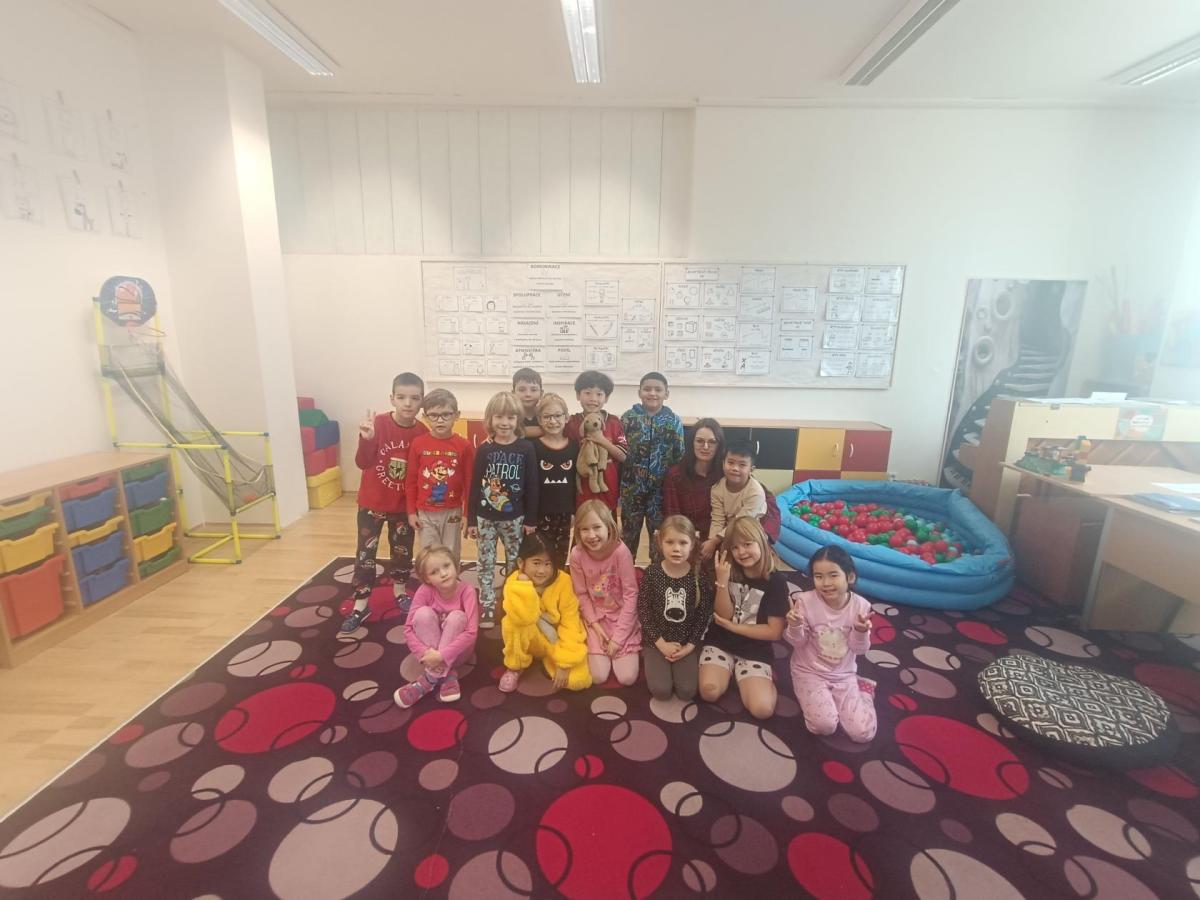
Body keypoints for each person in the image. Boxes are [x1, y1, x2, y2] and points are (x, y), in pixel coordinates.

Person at [344, 372, 426, 633]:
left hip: (403, 507)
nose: (407, 403)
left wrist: (416, 507)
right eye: (401, 397)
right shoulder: (377, 423)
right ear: (392, 398)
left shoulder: (422, 431)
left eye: (414, 398)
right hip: (372, 504)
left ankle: (400, 592)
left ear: (422, 401)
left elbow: (420, 473)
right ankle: (360, 604)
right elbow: (362, 462)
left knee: (402, 552)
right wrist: (367, 439)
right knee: (365, 554)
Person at [698, 516, 789, 719]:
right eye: (735, 547)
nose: (741, 552)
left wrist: (732, 627)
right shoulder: (728, 570)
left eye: (747, 544)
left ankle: (758, 681)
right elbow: (723, 615)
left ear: (761, 541)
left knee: (762, 710)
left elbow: (774, 632)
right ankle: (730, 672)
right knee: (709, 692)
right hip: (721, 642)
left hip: (754, 649)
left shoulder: (776, 582)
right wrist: (722, 582)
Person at [786, 545, 876, 743]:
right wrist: (795, 625)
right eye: (818, 576)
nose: (826, 583)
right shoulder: (805, 601)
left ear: (850, 577)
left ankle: (864, 691)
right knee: (824, 726)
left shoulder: (861, 606)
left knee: (863, 733)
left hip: (844, 674)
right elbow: (797, 643)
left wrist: (860, 631)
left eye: (833, 575)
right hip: (808, 671)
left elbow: (859, 650)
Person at [499, 532, 591, 693]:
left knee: (578, 681)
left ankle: (551, 658)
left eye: (548, 564)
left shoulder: (563, 581)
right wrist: (524, 587)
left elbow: (571, 622)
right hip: (528, 637)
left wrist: (565, 662)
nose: (542, 570)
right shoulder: (514, 582)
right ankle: (515, 666)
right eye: (536, 563)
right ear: (521, 563)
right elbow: (522, 618)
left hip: (554, 641)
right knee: (511, 623)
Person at [638, 515, 714, 701]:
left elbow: (703, 614)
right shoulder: (652, 574)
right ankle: (649, 656)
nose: (676, 548)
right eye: (670, 542)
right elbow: (644, 610)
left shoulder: (699, 577)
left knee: (687, 691)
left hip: (685, 642)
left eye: (683, 542)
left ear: (692, 544)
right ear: (660, 543)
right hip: (656, 642)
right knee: (661, 691)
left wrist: (690, 646)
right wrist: (661, 644)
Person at [393, 546, 480, 708]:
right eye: (434, 572)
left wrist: (441, 656)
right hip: (430, 656)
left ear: (455, 565)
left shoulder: (467, 591)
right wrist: (425, 653)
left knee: (457, 616)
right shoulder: (425, 591)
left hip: (459, 654)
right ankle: (447, 675)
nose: (443, 573)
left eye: (446, 566)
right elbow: (408, 629)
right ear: (427, 579)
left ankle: (429, 679)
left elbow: (472, 632)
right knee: (422, 614)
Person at [570, 500, 641, 686]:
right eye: (584, 529)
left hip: (622, 616)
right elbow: (581, 594)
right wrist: (596, 627)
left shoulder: (621, 552)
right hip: (596, 618)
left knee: (627, 678)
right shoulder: (576, 554)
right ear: (577, 531)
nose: (591, 535)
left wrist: (618, 639)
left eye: (596, 527)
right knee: (598, 677)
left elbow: (631, 595)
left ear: (609, 527)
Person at [620, 372, 685, 559]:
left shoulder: (673, 421)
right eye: (647, 389)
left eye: (658, 389)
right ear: (639, 392)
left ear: (666, 393)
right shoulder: (628, 418)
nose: (652, 393)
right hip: (632, 488)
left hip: (660, 491)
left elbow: (679, 455)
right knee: (628, 534)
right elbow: (619, 451)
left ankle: (657, 573)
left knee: (659, 536)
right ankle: (625, 571)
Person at [405, 389, 473, 562]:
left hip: (453, 511)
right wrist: (411, 512)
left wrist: (467, 514)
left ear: (456, 415)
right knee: (429, 554)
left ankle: (451, 579)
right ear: (425, 417)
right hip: (425, 512)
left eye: (446, 414)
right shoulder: (418, 444)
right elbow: (411, 480)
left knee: (451, 552)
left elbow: (469, 483)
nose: (440, 420)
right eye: (434, 415)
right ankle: (430, 580)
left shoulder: (464, 446)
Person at [564, 370, 628, 512]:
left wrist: (601, 440)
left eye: (599, 394)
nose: (593, 398)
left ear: (606, 397)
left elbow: (623, 456)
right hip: (581, 487)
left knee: (607, 523)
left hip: (608, 487)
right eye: (587, 393)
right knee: (584, 521)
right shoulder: (572, 423)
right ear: (578, 395)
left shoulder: (614, 422)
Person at [665, 418, 726, 562]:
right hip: (686, 542)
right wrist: (690, 546)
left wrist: (715, 541)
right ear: (691, 442)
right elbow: (673, 518)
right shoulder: (675, 475)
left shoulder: (727, 473)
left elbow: (761, 497)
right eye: (699, 441)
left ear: (719, 445)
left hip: (721, 539)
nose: (705, 446)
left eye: (712, 442)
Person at [532, 393, 577, 570]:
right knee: (540, 554)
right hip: (540, 513)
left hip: (565, 513)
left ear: (566, 418)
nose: (553, 421)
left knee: (560, 555)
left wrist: (574, 511)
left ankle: (557, 583)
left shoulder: (574, 446)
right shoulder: (533, 447)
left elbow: (575, 481)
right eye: (547, 417)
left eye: (557, 415)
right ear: (539, 420)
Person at [708, 440, 767, 546]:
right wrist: (711, 541)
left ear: (751, 469)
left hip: (751, 530)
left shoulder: (756, 493)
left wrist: (716, 540)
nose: (735, 468)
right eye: (730, 463)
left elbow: (740, 521)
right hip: (728, 530)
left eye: (742, 465)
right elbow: (717, 519)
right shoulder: (717, 489)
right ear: (723, 464)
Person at [513, 367, 544, 440]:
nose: (528, 394)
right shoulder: (509, 416)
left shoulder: (546, 415)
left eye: (533, 390)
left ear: (541, 393)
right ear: (513, 393)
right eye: (521, 390)